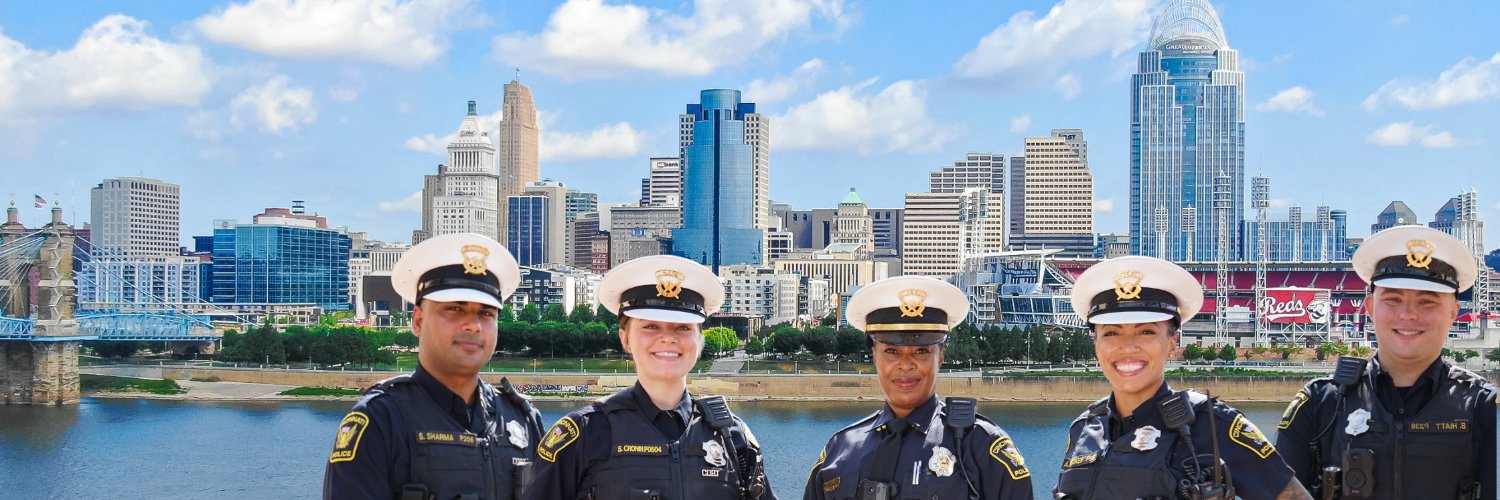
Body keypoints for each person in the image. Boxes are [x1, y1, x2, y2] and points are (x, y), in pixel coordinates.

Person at [1055, 256, 1312, 499]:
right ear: (1096, 344)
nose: (1128, 346)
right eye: (1111, 333)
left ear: (1171, 344)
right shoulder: (1084, 428)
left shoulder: (1212, 424)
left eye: (1146, 332)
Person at [524, 254, 775, 500]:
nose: (668, 337)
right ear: (625, 338)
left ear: (699, 339)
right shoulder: (583, 435)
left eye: (683, 327)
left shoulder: (732, 437)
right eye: (650, 326)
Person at [1275, 225, 1496, 500]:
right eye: (1392, 299)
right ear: (1369, 308)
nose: (1408, 315)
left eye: (1427, 301)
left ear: (1453, 312)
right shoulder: (1320, 404)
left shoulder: (1483, 407)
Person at [323, 233, 544, 500]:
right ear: (417, 321)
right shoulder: (379, 421)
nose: (473, 325)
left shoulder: (522, 419)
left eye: (486, 313)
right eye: (454, 309)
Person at [804, 275, 1033, 500]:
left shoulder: (982, 447)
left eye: (921, 351)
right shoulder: (841, 450)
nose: (905, 365)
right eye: (892, 351)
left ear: (940, 357)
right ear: (875, 356)